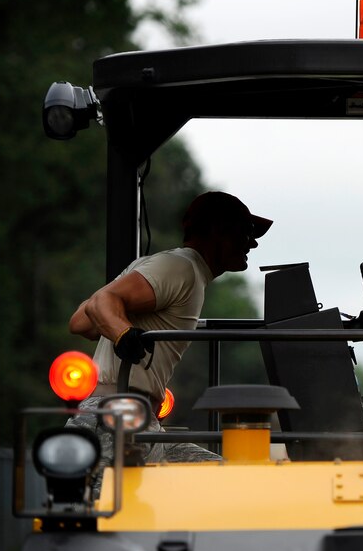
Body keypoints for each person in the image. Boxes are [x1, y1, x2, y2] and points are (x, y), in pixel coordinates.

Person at [66, 191, 272, 493]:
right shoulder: (180, 267)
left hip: (140, 420)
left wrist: (115, 312)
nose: (252, 243)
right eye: (246, 232)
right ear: (216, 231)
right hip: (116, 419)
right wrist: (124, 333)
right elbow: (96, 308)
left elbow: (83, 319)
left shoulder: (172, 269)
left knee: (230, 485)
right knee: (111, 519)